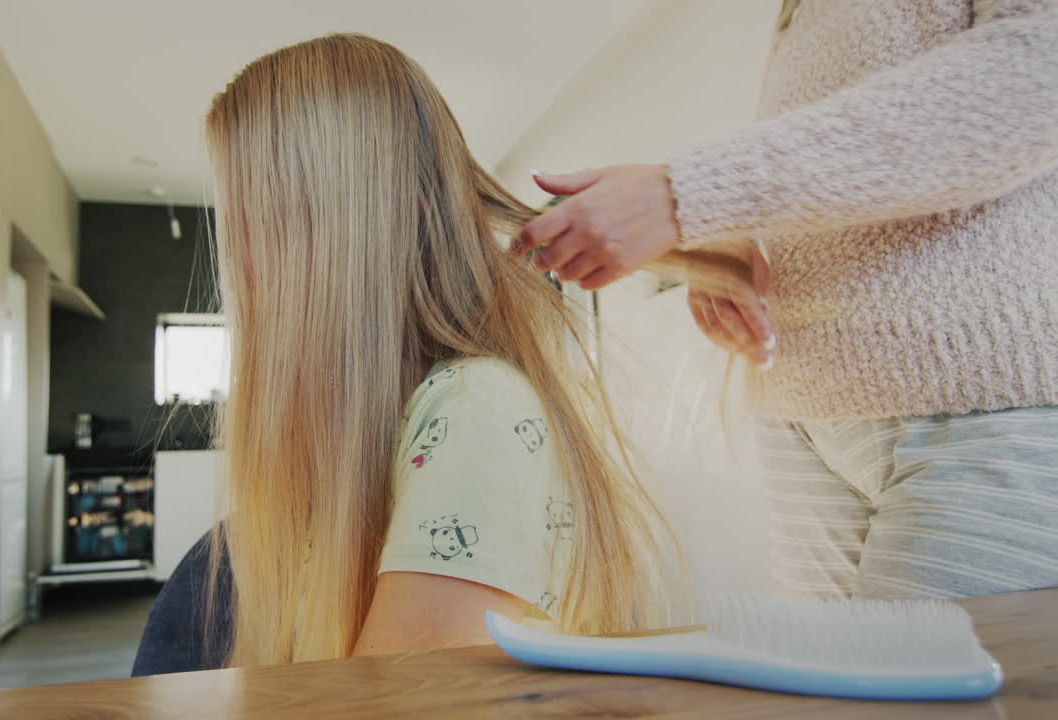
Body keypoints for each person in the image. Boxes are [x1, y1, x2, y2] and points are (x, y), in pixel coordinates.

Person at [134, 33, 743, 674]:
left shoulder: (478, 409)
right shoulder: (356, 449)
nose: (242, 266)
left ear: (360, 222)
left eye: (262, 220)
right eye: (236, 226)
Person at [514, 0, 1058, 600]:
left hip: (984, 407)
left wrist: (689, 194)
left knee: (914, 695)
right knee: (827, 694)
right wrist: (733, 232)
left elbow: (1035, 73)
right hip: (806, 421)